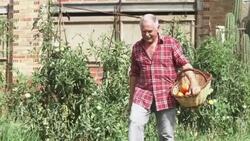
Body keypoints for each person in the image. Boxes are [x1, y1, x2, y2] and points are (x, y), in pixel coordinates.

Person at [128, 14, 201, 141]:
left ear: (158, 28)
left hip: (165, 95)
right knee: (134, 124)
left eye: (149, 31)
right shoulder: (137, 48)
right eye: (143, 31)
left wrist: (194, 83)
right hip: (142, 94)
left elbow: (184, 64)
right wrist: (131, 100)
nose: (147, 34)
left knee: (166, 134)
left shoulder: (170, 43)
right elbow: (134, 74)